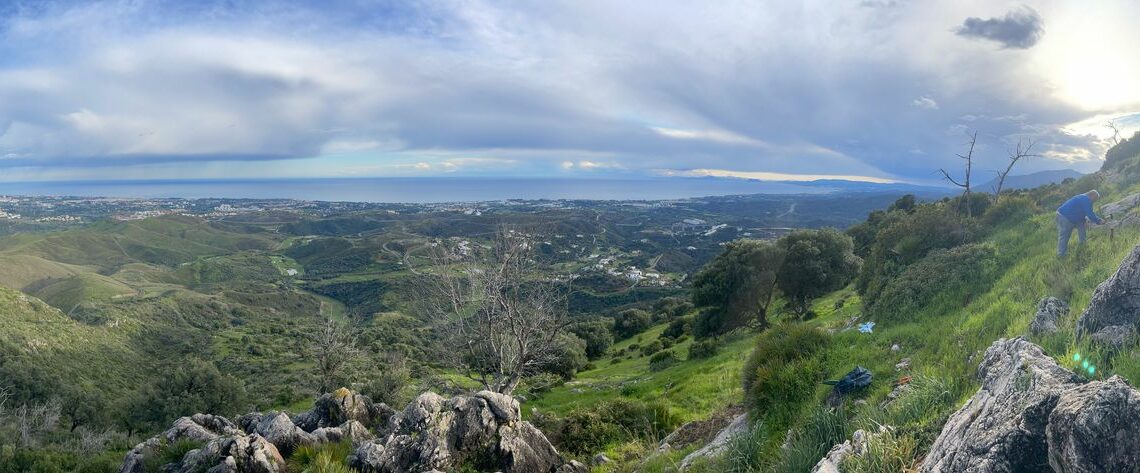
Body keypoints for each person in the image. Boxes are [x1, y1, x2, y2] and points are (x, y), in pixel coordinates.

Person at [1056, 190, 1103, 256]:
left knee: (1082, 228)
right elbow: (1089, 213)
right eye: (1095, 198)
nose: (1094, 201)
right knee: (1065, 236)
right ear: (1091, 195)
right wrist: (1099, 221)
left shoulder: (1084, 197)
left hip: (1074, 217)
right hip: (1064, 216)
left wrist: (1085, 220)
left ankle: (1083, 245)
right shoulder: (1086, 199)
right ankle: (1061, 255)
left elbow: (1082, 211)